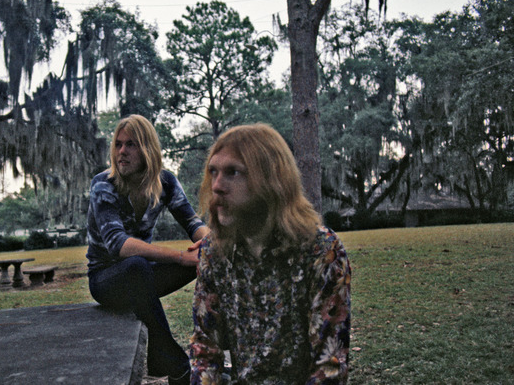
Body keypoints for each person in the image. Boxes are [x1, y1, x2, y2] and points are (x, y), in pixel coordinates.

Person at [190, 123, 351, 384]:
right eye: (213, 172)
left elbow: (329, 366)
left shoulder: (322, 251)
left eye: (233, 172)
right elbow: (205, 352)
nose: (217, 186)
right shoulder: (215, 251)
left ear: (271, 179)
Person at [86, 114, 210, 384]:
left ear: (147, 149)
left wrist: (209, 245)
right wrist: (179, 256)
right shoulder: (103, 185)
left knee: (203, 260)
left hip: (141, 278)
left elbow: (192, 221)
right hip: (106, 281)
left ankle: (193, 350)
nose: (122, 152)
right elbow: (119, 244)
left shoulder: (165, 182)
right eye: (118, 144)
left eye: (131, 144)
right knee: (137, 265)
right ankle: (172, 360)